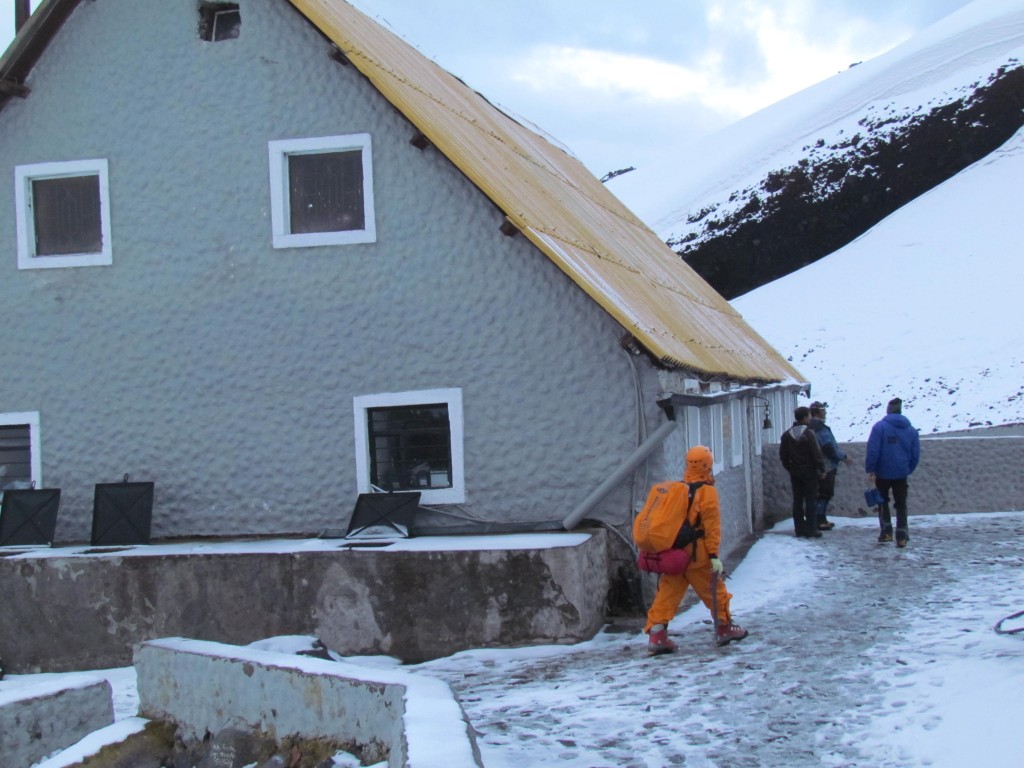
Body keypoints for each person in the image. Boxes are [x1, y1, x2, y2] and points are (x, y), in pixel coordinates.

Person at [645, 445, 749, 654]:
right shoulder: (707, 492)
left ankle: (657, 635)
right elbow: (712, 527)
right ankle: (724, 628)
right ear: (708, 465)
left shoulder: (678, 489)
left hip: (675, 554)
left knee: (668, 592)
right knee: (715, 591)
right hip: (698, 555)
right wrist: (713, 556)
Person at [865, 397, 921, 548]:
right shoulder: (911, 430)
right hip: (901, 473)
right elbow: (915, 455)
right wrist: (907, 469)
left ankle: (886, 533)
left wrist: (871, 469)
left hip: (882, 473)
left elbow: (873, 450)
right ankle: (902, 536)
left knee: (882, 502)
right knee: (901, 504)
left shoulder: (879, 427)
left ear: (888, 410)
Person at [779, 406, 827, 538]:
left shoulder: (787, 435)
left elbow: (783, 456)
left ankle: (799, 529)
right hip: (810, 471)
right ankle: (812, 529)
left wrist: (790, 468)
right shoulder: (809, 433)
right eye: (809, 416)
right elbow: (816, 453)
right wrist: (821, 469)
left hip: (795, 471)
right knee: (811, 500)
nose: (810, 418)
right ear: (805, 417)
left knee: (798, 500)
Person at [808, 401, 854, 531]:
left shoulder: (810, 427)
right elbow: (829, 447)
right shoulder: (820, 428)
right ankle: (820, 520)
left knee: (819, 494)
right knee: (825, 493)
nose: (826, 413)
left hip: (815, 466)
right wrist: (843, 457)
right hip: (826, 466)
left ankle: (816, 519)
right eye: (823, 411)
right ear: (818, 412)